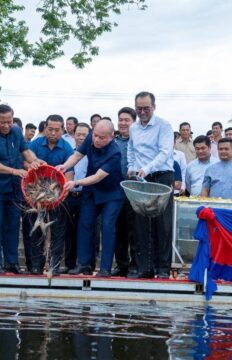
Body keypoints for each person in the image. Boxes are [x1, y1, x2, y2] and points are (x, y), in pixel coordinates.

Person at [0, 104, 41, 274]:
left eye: (10, 121)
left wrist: (35, 161)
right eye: (3, 122)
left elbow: (26, 151)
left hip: (15, 187)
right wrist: (14, 171)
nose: (7, 125)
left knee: (13, 225)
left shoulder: (16, 132)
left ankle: (12, 262)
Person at [58, 120, 124, 277]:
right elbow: (77, 155)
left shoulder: (115, 153)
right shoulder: (90, 138)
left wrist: (76, 183)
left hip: (111, 194)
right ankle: (84, 264)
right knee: (85, 224)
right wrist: (65, 166)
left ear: (111, 137)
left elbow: (97, 177)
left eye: (101, 138)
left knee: (107, 226)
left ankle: (105, 268)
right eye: (95, 135)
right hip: (91, 192)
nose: (96, 140)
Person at [127, 91, 174, 279]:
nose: (142, 112)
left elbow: (164, 152)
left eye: (146, 108)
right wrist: (132, 167)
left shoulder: (164, 125)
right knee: (140, 222)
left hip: (160, 175)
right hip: (140, 178)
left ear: (154, 107)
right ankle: (144, 268)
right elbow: (131, 148)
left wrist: (146, 168)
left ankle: (162, 268)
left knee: (162, 224)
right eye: (139, 108)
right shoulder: (133, 128)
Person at [28, 114, 74, 275]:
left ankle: (54, 265)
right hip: (37, 196)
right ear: (45, 128)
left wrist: (62, 196)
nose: (53, 133)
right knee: (35, 230)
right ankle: (36, 265)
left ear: (62, 130)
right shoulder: (35, 145)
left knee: (58, 232)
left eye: (56, 130)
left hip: (59, 196)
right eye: (50, 129)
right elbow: (26, 163)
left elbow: (70, 174)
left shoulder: (67, 148)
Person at [112, 107, 137, 277]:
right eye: (120, 119)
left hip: (135, 192)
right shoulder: (113, 142)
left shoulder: (139, 141)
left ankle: (135, 265)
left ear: (134, 122)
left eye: (126, 120)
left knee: (135, 230)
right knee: (118, 229)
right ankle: (121, 264)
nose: (123, 123)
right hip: (115, 191)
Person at [64, 122, 90, 273]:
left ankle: (85, 265)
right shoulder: (70, 155)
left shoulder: (92, 154)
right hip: (69, 196)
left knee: (85, 230)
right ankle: (69, 264)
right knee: (69, 232)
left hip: (86, 196)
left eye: (84, 135)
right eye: (78, 134)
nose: (81, 138)